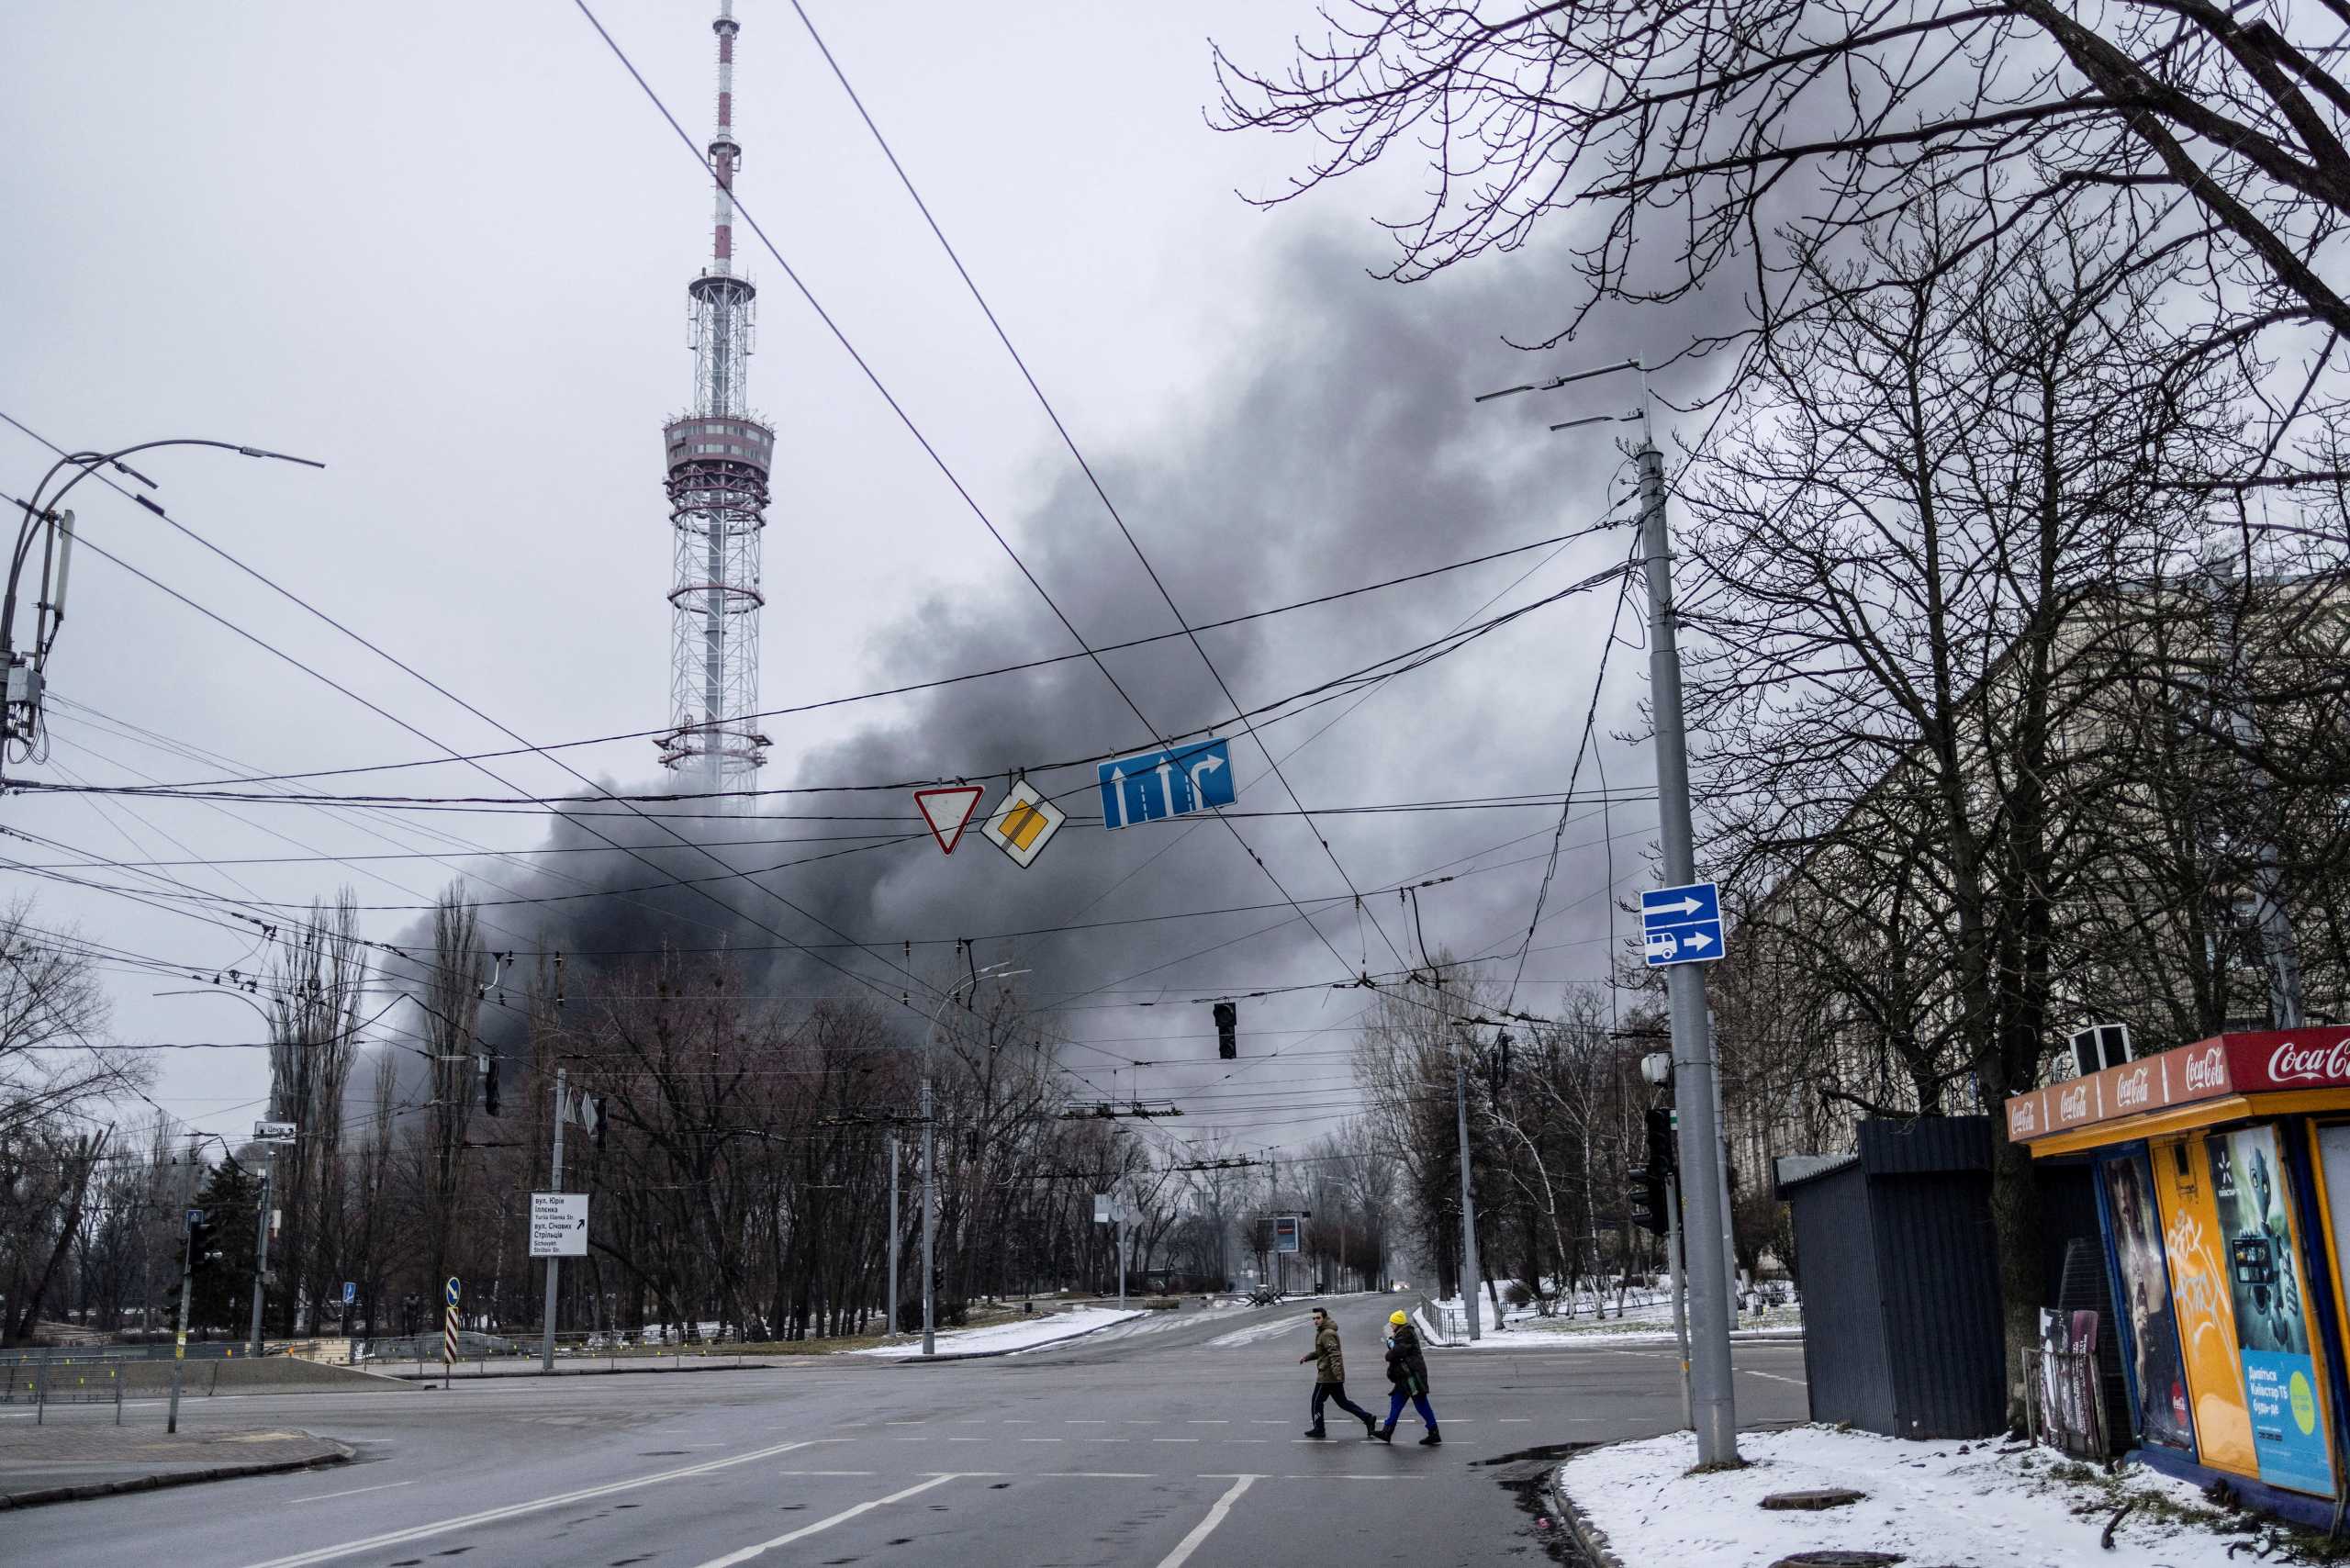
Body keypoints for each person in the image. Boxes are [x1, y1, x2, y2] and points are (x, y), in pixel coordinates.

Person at [1298, 1306, 1379, 1439]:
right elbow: (1321, 1353)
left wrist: (1338, 1375)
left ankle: (1319, 1429)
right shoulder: (1322, 1332)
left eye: (1318, 1318)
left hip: (1329, 1375)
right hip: (1327, 1374)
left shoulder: (1327, 1334)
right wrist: (1307, 1357)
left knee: (1317, 1401)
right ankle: (1368, 1418)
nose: (1315, 1321)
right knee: (1342, 1402)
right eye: (1314, 1318)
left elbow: (1335, 1354)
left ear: (1324, 1318)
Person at [1374, 1309, 1441, 1446]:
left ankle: (1433, 1432)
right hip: (1406, 1376)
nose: (1391, 1325)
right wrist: (1392, 1344)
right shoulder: (1403, 1333)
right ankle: (1388, 1431)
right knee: (1398, 1401)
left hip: (1412, 1377)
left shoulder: (1405, 1334)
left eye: (1392, 1323)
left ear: (1397, 1324)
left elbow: (1397, 1353)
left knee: (1420, 1403)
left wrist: (1390, 1349)